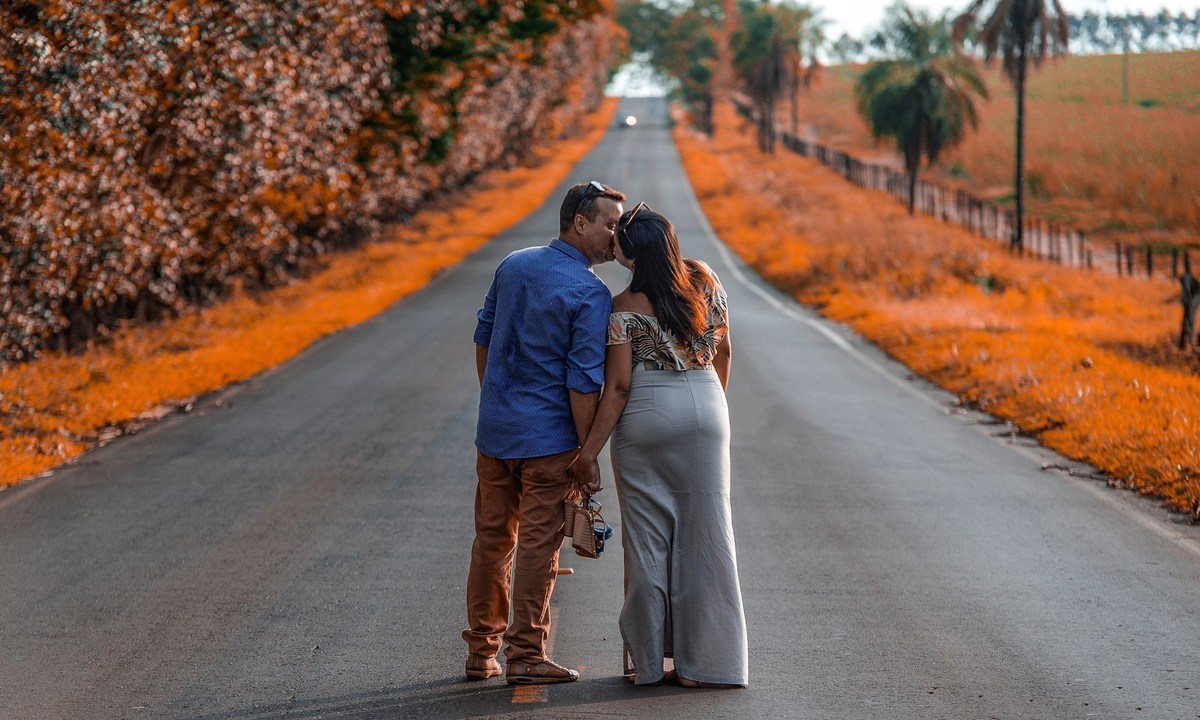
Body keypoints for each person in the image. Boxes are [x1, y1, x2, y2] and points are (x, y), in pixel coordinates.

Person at [576, 204, 748, 688]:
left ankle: (650, 665)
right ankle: (708, 666)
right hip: (707, 407)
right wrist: (709, 409)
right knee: (707, 536)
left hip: (647, 416)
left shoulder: (623, 306)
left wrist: (588, 453)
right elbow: (726, 351)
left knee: (648, 542)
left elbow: (619, 388)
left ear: (630, 256)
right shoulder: (706, 279)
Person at [464, 181, 625, 685]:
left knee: (492, 541)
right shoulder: (590, 291)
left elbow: (484, 335)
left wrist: (496, 400)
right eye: (610, 224)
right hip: (549, 441)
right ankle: (527, 654)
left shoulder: (513, 264)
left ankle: (480, 652)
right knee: (538, 545)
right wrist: (586, 454)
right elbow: (583, 381)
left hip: (495, 433)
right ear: (581, 222)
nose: (615, 237)